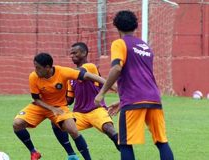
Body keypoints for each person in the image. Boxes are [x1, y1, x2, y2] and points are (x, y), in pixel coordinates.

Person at [94, 10, 174, 160]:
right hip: (154, 99)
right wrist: (121, 101)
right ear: (135, 26)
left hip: (133, 100)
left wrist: (102, 92)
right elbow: (142, 77)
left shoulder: (119, 43)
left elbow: (117, 67)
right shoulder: (145, 46)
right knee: (161, 141)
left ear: (116, 26)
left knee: (124, 143)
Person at [13, 52, 108, 160]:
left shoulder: (62, 72)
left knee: (73, 131)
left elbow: (86, 75)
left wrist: (109, 84)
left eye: (38, 68)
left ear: (47, 67)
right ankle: (33, 152)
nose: (36, 70)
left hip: (60, 107)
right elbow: (36, 99)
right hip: (41, 106)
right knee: (17, 124)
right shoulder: (33, 76)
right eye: (35, 67)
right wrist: (52, 109)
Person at [51, 42, 119, 160]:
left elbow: (81, 73)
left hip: (96, 110)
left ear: (84, 53)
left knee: (109, 129)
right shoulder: (70, 77)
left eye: (75, 53)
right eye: (71, 53)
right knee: (56, 121)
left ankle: (127, 153)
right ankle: (71, 154)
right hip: (79, 114)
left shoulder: (90, 67)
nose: (72, 56)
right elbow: (69, 100)